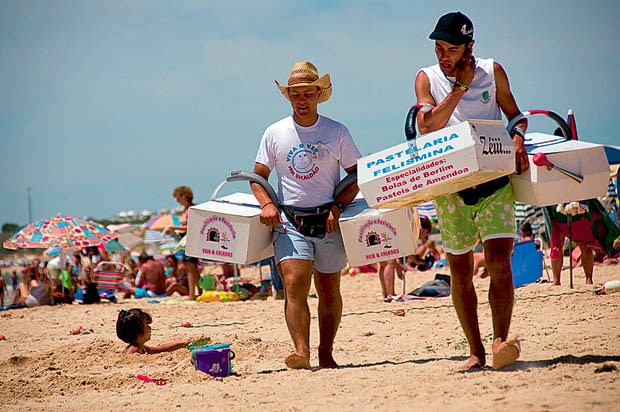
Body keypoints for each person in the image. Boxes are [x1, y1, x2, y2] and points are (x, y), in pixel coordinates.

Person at [414, 12, 529, 369]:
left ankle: (499, 341)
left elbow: (515, 114)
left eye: (451, 49)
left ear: (470, 47)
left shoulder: (493, 71)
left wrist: (519, 137)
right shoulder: (427, 78)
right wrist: (459, 88)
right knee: (460, 271)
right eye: (438, 48)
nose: (443, 56)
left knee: (498, 261)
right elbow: (428, 125)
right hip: (450, 187)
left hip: (494, 181)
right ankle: (476, 351)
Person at [251, 61, 362, 369]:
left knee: (329, 290)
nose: (302, 100)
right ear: (289, 97)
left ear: (318, 94)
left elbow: (357, 174)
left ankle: (326, 352)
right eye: (296, 94)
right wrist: (266, 204)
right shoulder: (275, 133)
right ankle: (302, 351)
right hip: (289, 220)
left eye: (308, 94)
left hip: (328, 221)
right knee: (294, 283)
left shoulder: (337, 131)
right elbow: (257, 176)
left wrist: (338, 207)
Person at [165, 185, 201, 300]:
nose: (177, 200)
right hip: (186, 240)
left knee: (190, 268)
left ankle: (191, 294)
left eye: (178, 197)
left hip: (189, 240)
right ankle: (199, 291)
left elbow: (191, 227)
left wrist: (174, 228)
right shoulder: (187, 209)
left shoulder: (190, 209)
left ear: (183, 196)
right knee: (192, 268)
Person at [116, 308, 191, 354]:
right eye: (146, 325)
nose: (150, 328)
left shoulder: (140, 346)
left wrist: (181, 343)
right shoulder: (134, 350)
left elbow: (158, 349)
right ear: (137, 331)